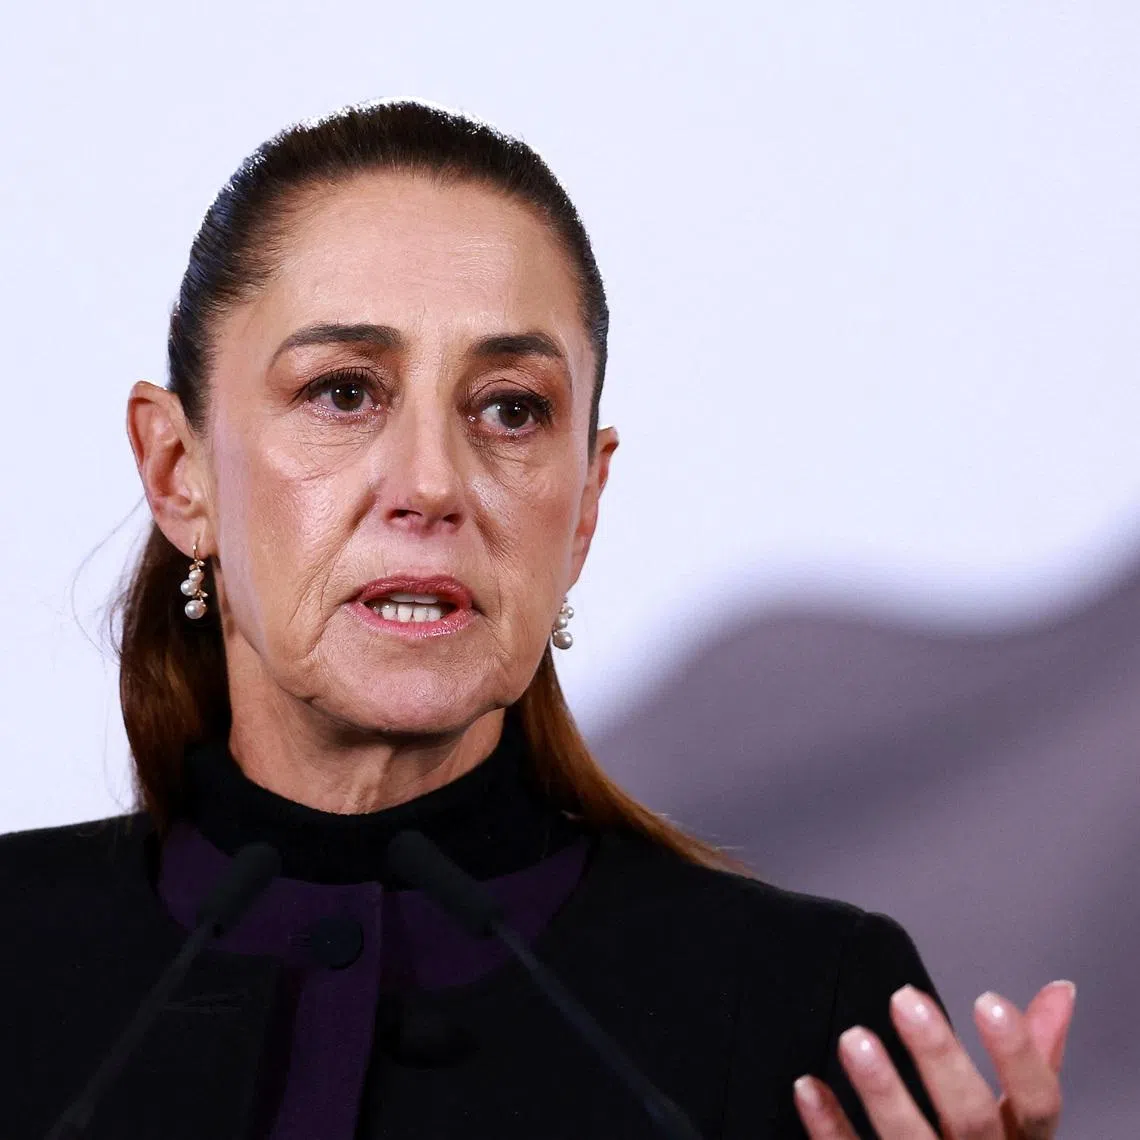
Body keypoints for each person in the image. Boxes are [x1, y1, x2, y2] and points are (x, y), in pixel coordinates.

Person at [0, 101, 1073, 1140]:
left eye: (511, 409)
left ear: (586, 505)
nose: (430, 483)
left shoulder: (804, 1013)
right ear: (177, 471)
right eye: (343, 392)